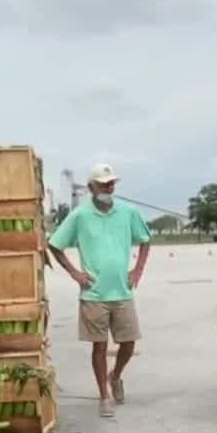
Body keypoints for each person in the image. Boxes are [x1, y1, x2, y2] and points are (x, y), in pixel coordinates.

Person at [47, 163, 151, 417]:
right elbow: (55, 244)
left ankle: (115, 376)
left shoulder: (128, 212)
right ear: (91, 187)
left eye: (112, 183)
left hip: (122, 292)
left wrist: (137, 270)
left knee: (128, 342)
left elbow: (146, 240)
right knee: (99, 347)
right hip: (93, 294)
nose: (109, 187)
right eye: (104, 183)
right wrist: (75, 273)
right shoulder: (80, 216)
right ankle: (103, 395)